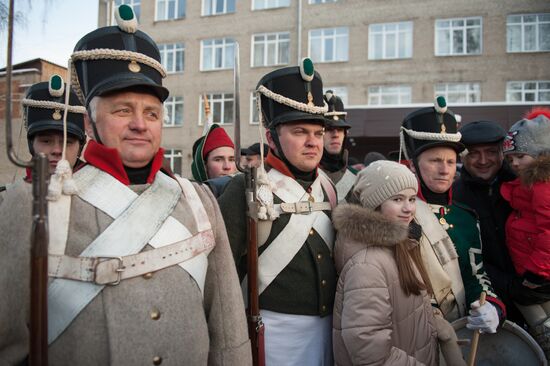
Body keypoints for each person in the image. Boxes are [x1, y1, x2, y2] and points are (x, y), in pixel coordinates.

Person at [0, 5, 251, 365]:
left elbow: (227, 327)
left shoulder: (199, 200)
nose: (140, 124)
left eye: (152, 113)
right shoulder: (30, 205)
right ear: (88, 123)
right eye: (122, 110)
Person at [218, 59, 337, 365]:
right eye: (300, 131)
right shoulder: (244, 189)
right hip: (273, 336)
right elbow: (222, 275)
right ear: (271, 138)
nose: (312, 142)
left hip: (331, 331)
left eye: (318, 132)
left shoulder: (330, 189)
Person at [332, 160, 465, 366]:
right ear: (374, 204)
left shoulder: (398, 246)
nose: (408, 209)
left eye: (412, 199)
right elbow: (368, 348)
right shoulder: (368, 265)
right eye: (397, 199)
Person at [400, 97, 505, 331]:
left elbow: (475, 277)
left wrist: (491, 306)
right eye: (435, 160)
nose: (445, 169)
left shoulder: (465, 217)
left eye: (450, 161)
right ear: (413, 165)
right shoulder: (397, 212)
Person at [453, 120, 523, 324]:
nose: (483, 160)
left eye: (491, 152)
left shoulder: (524, 187)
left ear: (503, 153)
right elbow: (464, 256)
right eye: (474, 153)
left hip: (536, 295)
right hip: (487, 304)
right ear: (463, 156)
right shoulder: (455, 197)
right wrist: (507, 285)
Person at [501, 108, 550, 359]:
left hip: (539, 273)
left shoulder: (543, 185)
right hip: (533, 270)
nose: (515, 164)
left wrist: (536, 273)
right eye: (510, 159)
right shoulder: (528, 185)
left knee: (541, 323)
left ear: (541, 155)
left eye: (520, 156)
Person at [0, 74, 87, 205]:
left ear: (80, 146)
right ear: (31, 145)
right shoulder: (6, 199)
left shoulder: (105, 194)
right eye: (46, 141)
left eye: (67, 142)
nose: (57, 150)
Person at [319, 91, 357, 202]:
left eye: (340, 129)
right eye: (329, 129)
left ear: (345, 134)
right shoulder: (306, 177)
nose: (335, 135)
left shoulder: (358, 178)